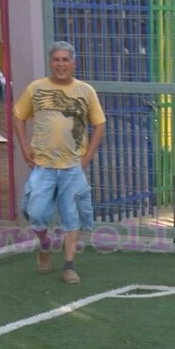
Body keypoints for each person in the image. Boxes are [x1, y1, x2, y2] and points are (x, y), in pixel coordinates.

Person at [13, 41, 106, 284]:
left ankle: (68, 266)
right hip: (42, 166)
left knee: (71, 216)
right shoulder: (36, 88)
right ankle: (44, 245)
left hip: (73, 166)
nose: (61, 64)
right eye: (57, 60)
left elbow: (99, 124)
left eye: (66, 60)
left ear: (74, 63)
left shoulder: (86, 91)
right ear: (50, 62)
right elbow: (19, 115)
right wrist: (24, 147)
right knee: (35, 212)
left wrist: (87, 157)